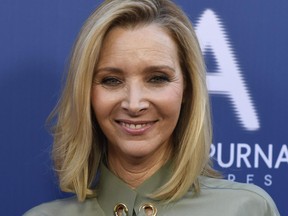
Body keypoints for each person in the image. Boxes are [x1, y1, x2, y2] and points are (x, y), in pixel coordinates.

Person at [24, 0, 280, 215]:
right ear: (86, 93)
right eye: (111, 80)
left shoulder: (247, 209)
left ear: (187, 90)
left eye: (157, 78)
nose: (134, 104)